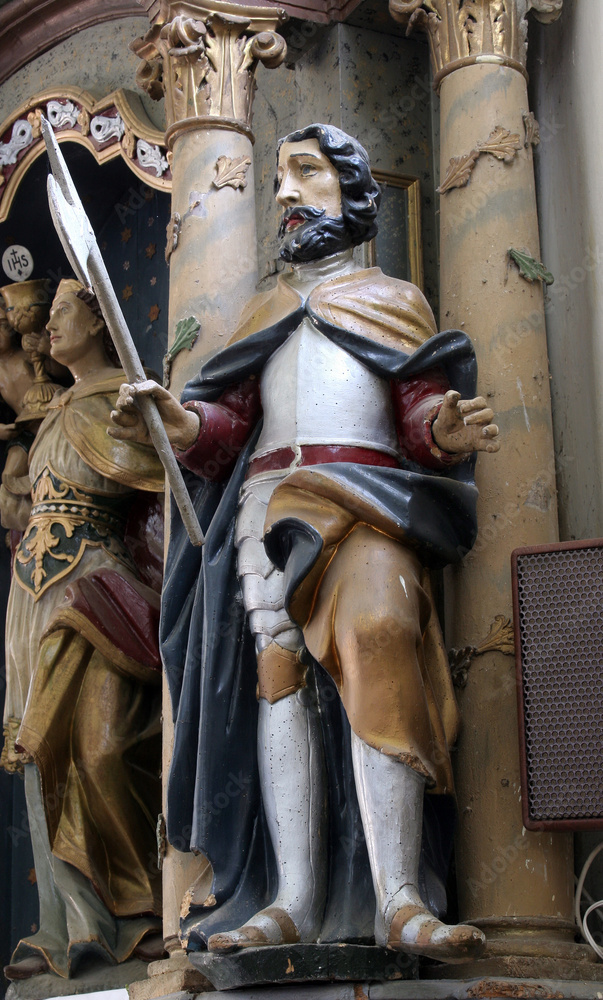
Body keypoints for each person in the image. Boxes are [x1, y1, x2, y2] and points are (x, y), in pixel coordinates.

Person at [111, 124, 499, 963]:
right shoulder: (262, 311)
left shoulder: (393, 300)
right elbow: (227, 429)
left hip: (365, 499)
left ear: (353, 190)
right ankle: (291, 898)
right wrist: (182, 424)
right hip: (265, 503)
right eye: (279, 179)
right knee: (276, 680)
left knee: (380, 633)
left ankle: (398, 898)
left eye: (306, 173)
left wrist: (445, 430)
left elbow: (416, 415)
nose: (286, 193)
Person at [0, 280, 166, 979]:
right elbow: (25, 508)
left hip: (94, 587)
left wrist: (146, 431)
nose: (45, 328)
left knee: (101, 748)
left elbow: (165, 487)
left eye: (61, 313)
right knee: (37, 754)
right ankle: (67, 926)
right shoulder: (53, 411)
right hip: (31, 593)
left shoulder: (123, 398)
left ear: (98, 322)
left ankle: (141, 909)